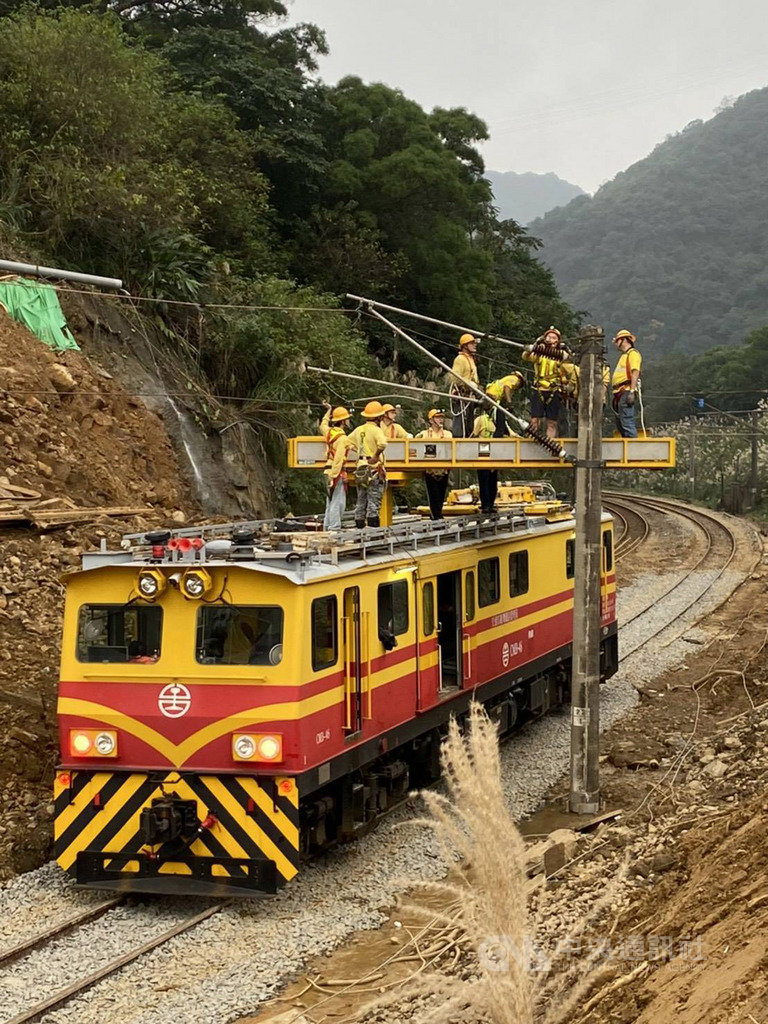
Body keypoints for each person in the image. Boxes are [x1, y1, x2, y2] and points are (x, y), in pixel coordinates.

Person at [348, 401, 388, 528]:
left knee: (361, 500)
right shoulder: (376, 430)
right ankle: (373, 531)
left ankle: (359, 528)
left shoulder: (359, 430)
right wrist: (376, 455)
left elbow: (347, 442)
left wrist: (359, 452)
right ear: (380, 417)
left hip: (361, 468)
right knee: (373, 501)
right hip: (373, 469)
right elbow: (382, 444)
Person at [522, 327, 566, 438]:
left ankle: (550, 443)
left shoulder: (560, 355)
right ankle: (533, 441)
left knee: (552, 422)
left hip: (553, 390)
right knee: (535, 420)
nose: (551, 339)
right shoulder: (539, 353)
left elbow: (567, 361)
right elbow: (525, 356)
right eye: (549, 337)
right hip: (539, 389)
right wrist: (535, 346)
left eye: (554, 338)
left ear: (558, 341)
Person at [319, 402, 353, 531]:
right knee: (338, 502)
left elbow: (323, 424)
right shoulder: (343, 439)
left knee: (330, 501)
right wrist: (334, 476)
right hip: (336, 472)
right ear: (343, 421)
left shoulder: (329, 432)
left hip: (327, 471)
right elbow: (338, 459)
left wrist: (329, 411)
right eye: (347, 419)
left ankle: (327, 527)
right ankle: (334, 528)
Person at [414, 409, 452, 520]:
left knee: (440, 496)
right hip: (430, 471)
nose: (440, 419)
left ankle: (438, 516)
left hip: (443, 470)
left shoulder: (448, 434)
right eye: (437, 417)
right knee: (433, 496)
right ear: (431, 420)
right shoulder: (424, 435)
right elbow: (413, 445)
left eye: (441, 417)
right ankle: (436, 517)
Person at [471, 398, 506, 514]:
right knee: (485, 479)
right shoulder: (481, 420)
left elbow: (504, 431)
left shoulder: (496, 418)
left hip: (493, 453)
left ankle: (489, 504)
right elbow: (474, 435)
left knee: (491, 480)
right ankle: (486, 504)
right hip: (483, 454)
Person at [611, 329, 641, 438]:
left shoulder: (632, 354)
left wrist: (632, 391)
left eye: (618, 341)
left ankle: (633, 449)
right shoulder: (624, 356)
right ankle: (627, 447)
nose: (616, 344)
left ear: (624, 340)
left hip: (626, 390)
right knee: (621, 424)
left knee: (627, 421)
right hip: (620, 392)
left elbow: (635, 371)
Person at [449, 333, 480, 437]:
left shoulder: (471, 359)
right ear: (465, 346)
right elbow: (455, 378)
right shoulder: (460, 359)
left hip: (469, 396)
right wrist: (469, 383)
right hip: (461, 395)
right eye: (472, 343)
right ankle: (458, 441)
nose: (474, 345)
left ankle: (468, 439)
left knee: (469, 424)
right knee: (460, 423)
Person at [485, 371, 524, 436]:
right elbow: (507, 387)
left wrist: (508, 407)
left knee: (500, 419)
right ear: (520, 380)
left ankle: (501, 433)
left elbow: (503, 397)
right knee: (500, 421)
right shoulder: (515, 379)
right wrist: (509, 403)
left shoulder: (507, 379)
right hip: (493, 398)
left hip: (491, 396)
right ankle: (498, 436)